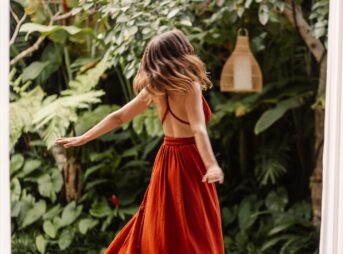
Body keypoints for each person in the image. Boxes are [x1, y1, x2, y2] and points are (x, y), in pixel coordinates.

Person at [55, 29, 225, 254]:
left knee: (164, 224)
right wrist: (211, 164)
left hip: (167, 160)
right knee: (196, 227)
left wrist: (84, 137)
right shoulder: (189, 85)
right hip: (192, 161)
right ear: (182, 53)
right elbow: (198, 128)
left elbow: (119, 116)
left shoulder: (154, 88)